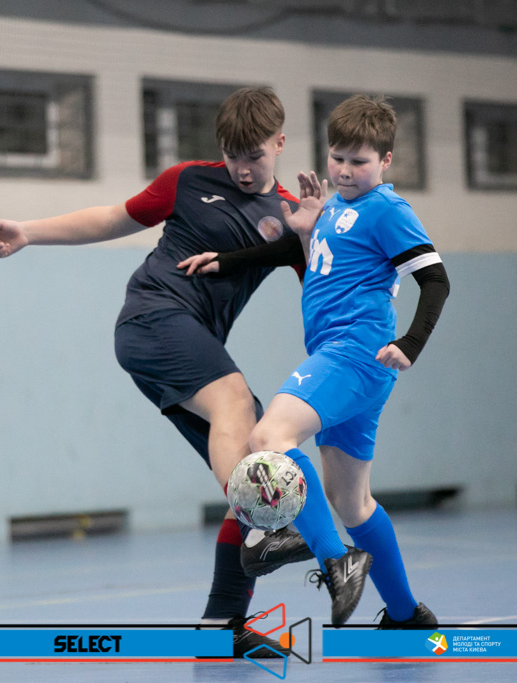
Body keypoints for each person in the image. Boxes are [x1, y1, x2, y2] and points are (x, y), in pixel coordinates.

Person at [0, 86, 315, 656]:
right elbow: (113, 218)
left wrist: (315, 238)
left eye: (254, 156)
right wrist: (30, 231)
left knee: (257, 452)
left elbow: (321, 291)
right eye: (233, 156)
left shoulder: (291, 216)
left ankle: (221, 624)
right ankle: (266, 526)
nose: (243, 169)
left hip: (193, 343)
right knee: (236, 406)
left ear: (279, 143)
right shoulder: (187, 180)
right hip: (153, 317)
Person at [179, 95, 450, 628]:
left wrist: (412, 342)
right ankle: (406, 615)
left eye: (359, 161)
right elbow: (295, 256)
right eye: (337, 158)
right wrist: (245, 254)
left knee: (267, 437)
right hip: (350, 364)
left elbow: (435, 280)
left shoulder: (388, 210)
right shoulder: (332, 210)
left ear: (386, 161)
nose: (345, 170)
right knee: (352, 503)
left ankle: (335, 561)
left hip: (354, 353)